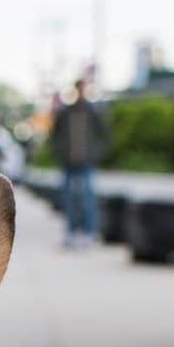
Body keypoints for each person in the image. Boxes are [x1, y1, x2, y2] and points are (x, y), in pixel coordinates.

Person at [51, 78, 109, 247]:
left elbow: (104, 136)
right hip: (68, 161)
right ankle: (70, 232)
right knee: (69, 197)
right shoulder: (65, 113)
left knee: (88, 197)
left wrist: (96, 154)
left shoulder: (93, 112)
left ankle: (89, 232)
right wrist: (61, 153)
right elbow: (55, 136)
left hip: (87, 161)